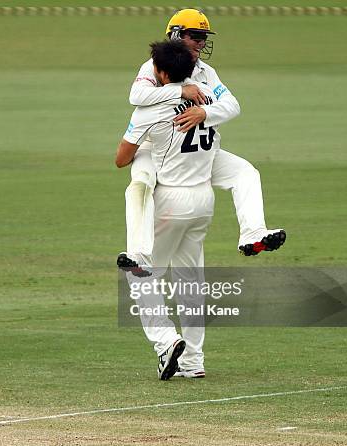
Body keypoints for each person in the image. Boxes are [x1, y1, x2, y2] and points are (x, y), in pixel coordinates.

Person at [118, 8, 285, 278]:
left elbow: (232, 105)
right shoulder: (152, 66)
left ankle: (253, 234)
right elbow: (136, 95)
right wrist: (180, 90)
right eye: (195, 36)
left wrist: (204, 112)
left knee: (245, 173)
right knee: (140, 186)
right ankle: (138, 253)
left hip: (198, 149)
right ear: (175, 34)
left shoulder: (207, 72)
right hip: (153, 146)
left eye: (203, 37)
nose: (201, 43)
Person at [116, 40, 221, 380]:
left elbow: (121, 159)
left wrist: (143, 150)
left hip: (170, 201)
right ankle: (193, 362)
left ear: (160, 73)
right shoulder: (206, 98)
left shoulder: (151, 107)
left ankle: (165, 342)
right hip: (204, 199)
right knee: (191, 281)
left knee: (141, 274)